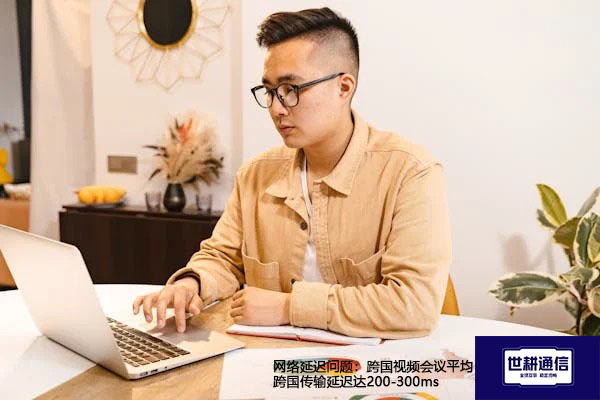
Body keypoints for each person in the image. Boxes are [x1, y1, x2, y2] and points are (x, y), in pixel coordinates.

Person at [133, 7, 452, 340]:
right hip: (267, 359)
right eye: (270, 91)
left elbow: (414, 305)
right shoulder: (256, 175)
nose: (276, 108)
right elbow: (222, 258)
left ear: (344, 87)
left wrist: (288, 307)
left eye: (291, 89)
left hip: (369, 365)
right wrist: (191, 283)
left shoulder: (411, 173)